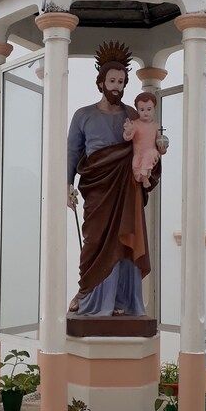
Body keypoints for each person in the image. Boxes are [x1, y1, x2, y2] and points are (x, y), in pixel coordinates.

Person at [67, 41, 168, 317]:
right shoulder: (83, 115)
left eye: (121, 81)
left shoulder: (132, 115)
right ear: (100, 82)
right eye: (111, 80)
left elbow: (147, 143)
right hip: (97, 188)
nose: (116, 86)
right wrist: (66, 184)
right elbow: (72, 152)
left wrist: (160, 144)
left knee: (125, 241)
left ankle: (122, 300)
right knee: (94, 242)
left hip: (125, 188)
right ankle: (87, 293)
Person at [123, 92, 161, 189]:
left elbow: (160, 144)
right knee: (136, 168)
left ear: (154, 109)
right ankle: (143, 176)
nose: (145, 112)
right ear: (137, 110)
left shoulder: (156, 126)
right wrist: (128, 131)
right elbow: (128, 138)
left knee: (149, 154)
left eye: (149, 109)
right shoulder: (135, 124)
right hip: (139, 155)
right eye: (142, 109)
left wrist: (163, 147)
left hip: (152, 154)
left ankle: (145, 177)